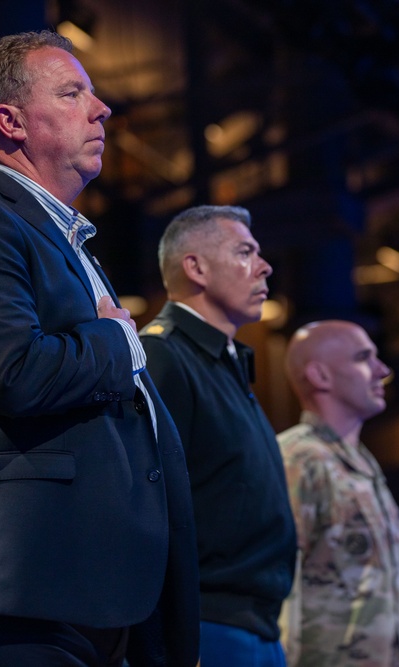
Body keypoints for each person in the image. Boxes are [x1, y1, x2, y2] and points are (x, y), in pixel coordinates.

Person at [0, 30, 199, 667]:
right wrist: (113, 339)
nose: (101, 108)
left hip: (98, 591)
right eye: (73, 90)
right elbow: (14, 371)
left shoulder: (73, 248)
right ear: (11, 121)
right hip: (15, 583)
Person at [140, 205, 297, 666]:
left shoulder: (222, 361)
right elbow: (148, 502)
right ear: (196, 267)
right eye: (245, 251)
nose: (264, 265)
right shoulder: (164, 356)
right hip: (210, 625)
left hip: (257, 625)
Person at [278, 320, 399, 667]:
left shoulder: (364, 463)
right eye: (363, 358)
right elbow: (282, 586)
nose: (382, 371)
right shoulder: (299, 459)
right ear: (320, 376)